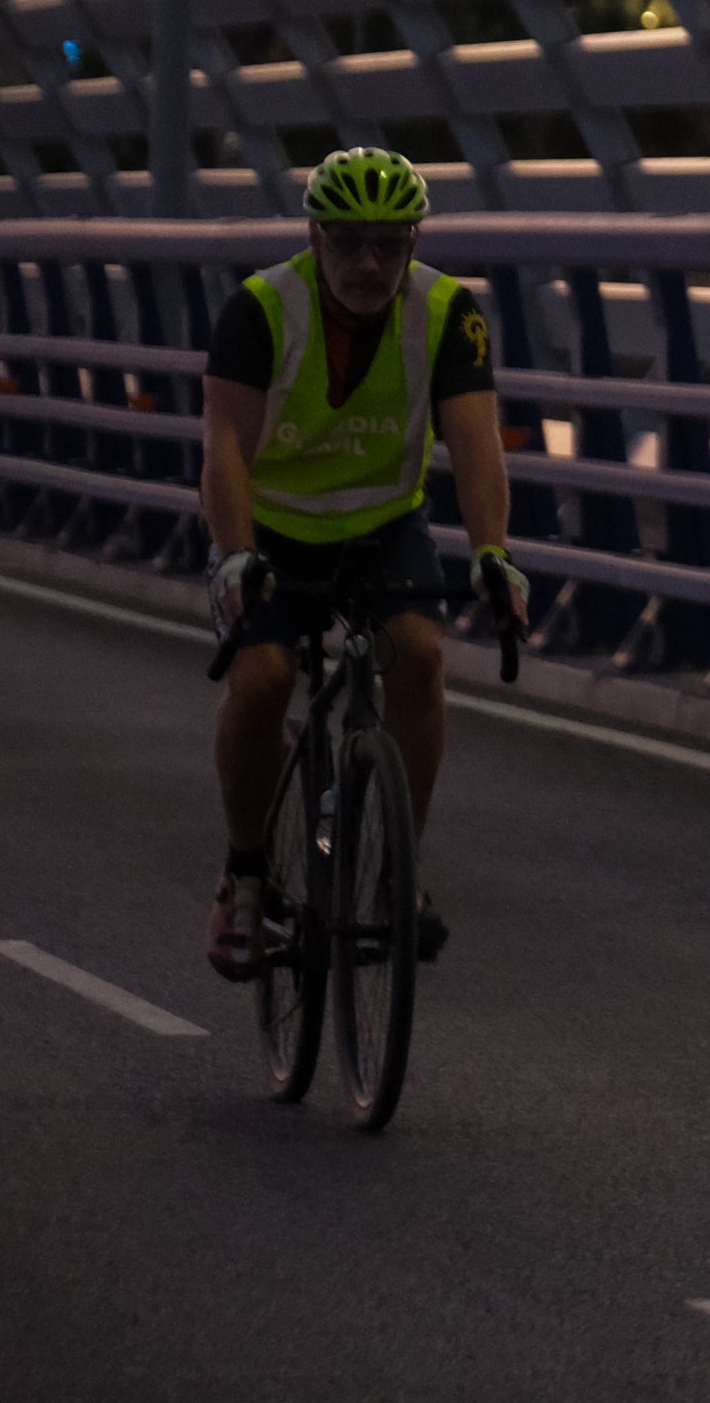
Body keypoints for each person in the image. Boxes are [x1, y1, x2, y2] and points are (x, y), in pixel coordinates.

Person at [201, 148, 530, 981]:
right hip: (271, 532)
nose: (368, 263)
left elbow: (476, 442)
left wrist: (494, 550)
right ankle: (244, 871)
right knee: (264, 678)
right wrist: (237, 554)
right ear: (314, 235)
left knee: (418, 654)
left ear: (414, 240)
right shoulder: (261, 307)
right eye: (348, 242)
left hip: (382, 526)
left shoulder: (449, 311)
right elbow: (226, 444)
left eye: (389, 242)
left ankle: (398, 874)